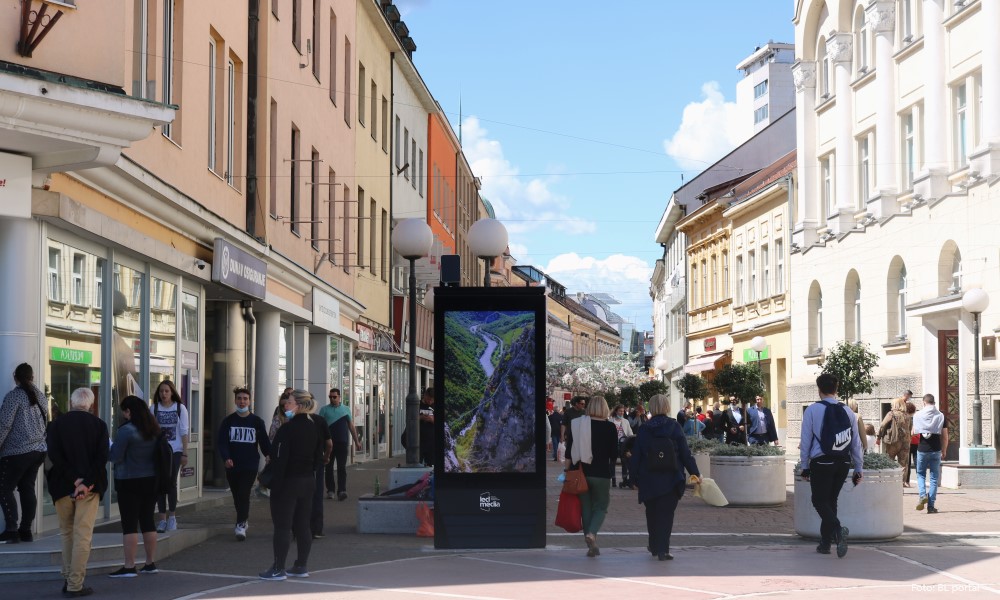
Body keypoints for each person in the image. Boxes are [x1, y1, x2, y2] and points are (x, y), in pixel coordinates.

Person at [46, 387, 109, 597]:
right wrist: (85, 483)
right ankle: (75, 584)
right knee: (83, 535)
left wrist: (74, 479)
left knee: (67, 533)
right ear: (90, 404)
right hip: (89, 488)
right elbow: (101, 459)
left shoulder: (56, 425)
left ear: (71, 403)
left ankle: (68, 578)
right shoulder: (99, 425)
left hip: (62, 486)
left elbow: (54, 455)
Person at [259, 390, 324, 580]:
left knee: (282, 526)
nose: (285, 405)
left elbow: (279, 458)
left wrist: (274, 484)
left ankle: (278, 568)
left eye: (289, 402)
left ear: (300, 406)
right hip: (307, 481)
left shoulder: (287, 429)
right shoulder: (314, 426)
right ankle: (301, 565)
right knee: (303, 525)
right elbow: (319, 456)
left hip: (287, 482)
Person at [630, 393, 700, 561]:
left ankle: (654, 545)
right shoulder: (674, 426)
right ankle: (663, 550)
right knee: (666, 515)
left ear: (651, 407)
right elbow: (685, 453)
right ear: (667, 407)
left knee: (652, 513)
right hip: (671, 476)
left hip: (648, 477)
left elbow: (636, 454)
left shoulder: (644, 428)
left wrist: (633, 478)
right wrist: (695, 473)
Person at [799, 373, 863, 558]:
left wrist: (805, 465)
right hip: (843, 462)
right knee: (831, 501)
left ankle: (837, 529)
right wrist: (858, 468)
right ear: (836, 389)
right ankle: (825, 544)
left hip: (822, 461)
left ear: (819, 389)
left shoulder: (812, 410)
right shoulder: (848, 411)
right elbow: (856, 442)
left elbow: (806, 440)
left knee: (819, 501)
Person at [108, 395, 161, 577]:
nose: (123, 414)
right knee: (148, 520)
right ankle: (150, 563)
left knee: (129, 523)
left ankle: (129, 566)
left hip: (128, 480)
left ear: (129, 411)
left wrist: (108, 447)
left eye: (124, 411)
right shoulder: (153, 428)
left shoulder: (126, 430)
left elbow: (115, 456)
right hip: (151, 479)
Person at [0, 362, 48, 544]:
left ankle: (11, 530)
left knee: (4, 488)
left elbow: (4, 424)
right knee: (27, 488)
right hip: (38, 451)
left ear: (15, 378)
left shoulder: (14, 396)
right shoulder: (41, 396)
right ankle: (26, 530)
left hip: (17, 451)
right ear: (32, 377)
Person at [217, 387, 271, 541]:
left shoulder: (257, 421)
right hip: (232, 465)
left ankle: (240, 524)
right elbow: (222, 442)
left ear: (250, 401)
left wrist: (269, 455)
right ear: (235, 400)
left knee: (243, 493)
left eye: (245, 399)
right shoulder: (228, 421)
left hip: (250, 464)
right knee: (236, 496)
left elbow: (264, 441)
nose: (242, 401)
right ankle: (243, 518)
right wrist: (226, 458)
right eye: (239, 398)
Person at [567, 396, 617, 558]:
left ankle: (591, 546)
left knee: (586, 508)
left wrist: (566, 471)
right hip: (601, 473)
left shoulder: (578, 424)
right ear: (605, 408)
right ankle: (592, 533)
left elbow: (569, 450)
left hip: (581, 472)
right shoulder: (610, 427)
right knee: (601, 506)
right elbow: (614, 454)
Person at [150, 380, 189, 533]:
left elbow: (184, 431)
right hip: (160, 451)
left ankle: (172, 517)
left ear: (172, 392)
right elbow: (150, 431)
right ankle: (162, 519)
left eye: (166, 391)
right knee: (160, 483)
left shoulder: (180, 408)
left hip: (176, 450)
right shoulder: (154, 408)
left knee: (171, 482)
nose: (164, 394)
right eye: (161, 391)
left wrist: (185, 453)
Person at [318, 388, 361, 501]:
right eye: (330, 397)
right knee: (329, 467)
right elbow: (319, 428)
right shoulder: (324, 410)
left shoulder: (346, 409)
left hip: (342, 443)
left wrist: (356, 441)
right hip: (328, 444)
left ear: (339, 397)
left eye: (334, 397)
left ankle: (342, 490)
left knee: (342, 467)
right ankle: (330, 490)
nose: (332, 399)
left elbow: (351, 426)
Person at [912, 394, 948, 514]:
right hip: (936, 449)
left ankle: (922, 495)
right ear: (934, 402)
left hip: (922, 449)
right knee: (933, 478)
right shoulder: (941, 416)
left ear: (924, 402)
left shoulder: (918, 415)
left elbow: (913, 432)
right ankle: (931, 507)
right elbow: (945, 436)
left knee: (920, 474)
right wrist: (944, 450)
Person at [306, 395, 332, 539]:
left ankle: (300, 527)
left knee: (299, 495)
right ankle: (316, 528)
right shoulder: (320, 420)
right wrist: (326, 457)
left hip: (298, 465)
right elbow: (329, 444)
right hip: (316, 463)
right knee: (316, 495)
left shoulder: (293, 422)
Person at [877, 395, 913, 485]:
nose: (891, 406)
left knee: (889, 460)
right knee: (903, 463)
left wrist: (878, 437)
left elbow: (882, 425)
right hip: (905, 442)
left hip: (893, 441)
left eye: (892, 404)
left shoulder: (891, 414)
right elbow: (910, 429)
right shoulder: (907, 415)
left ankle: (889, 481)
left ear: (896, 405)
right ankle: (901, 483)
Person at [608, 404, 634, 488]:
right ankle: (613, 480)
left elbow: (630, 433)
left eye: (623, 411)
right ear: (616, 411)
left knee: (624, 462)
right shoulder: (611, 421)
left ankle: (624, 479)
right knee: (612, 462)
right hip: (613, 444)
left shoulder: (625, 421)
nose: (622, 413)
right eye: (620, 411)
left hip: (623, 444)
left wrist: (631, 440)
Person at [561, 396, 587, 465]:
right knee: (569, 454)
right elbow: (564, 424)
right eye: (582, 404)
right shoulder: (568, 412)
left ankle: (578, 468)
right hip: (570, 437)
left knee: (580, 454)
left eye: (584, 404)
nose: (583, 405)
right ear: (576, 404)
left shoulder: (585, 412)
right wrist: (562, 435)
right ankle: (567, 469)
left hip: (581, 437)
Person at [418, 388, 435, 466]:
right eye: (429, 399)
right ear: (425, 395)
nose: (430, 402)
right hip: (418, 441)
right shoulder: (417, 404)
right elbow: (410, 418)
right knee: (417, 464)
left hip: (431, 441)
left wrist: (432, 420)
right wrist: (421, 417)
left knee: (431, 465)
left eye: (432, 400)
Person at [905, 401, 918, 487]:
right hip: (917, 441)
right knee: (917, 462)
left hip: (907, 442)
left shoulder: (905, 419)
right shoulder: (916, 418)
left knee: (907, 463)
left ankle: (907, 481)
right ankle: (920, 479)